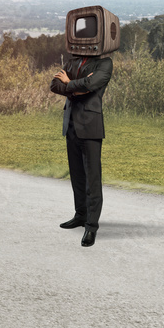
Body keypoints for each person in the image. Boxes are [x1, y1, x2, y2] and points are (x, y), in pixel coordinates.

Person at [49, 53, 113, 247]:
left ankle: (91, 227)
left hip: (90, 126)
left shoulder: (104, 63)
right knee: (77, 176)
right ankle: (80, 215)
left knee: (92, 178)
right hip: (71, 125)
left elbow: (92, 85)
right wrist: (77, 88)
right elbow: (54, 85)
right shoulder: (72, 61)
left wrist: (69, 83)